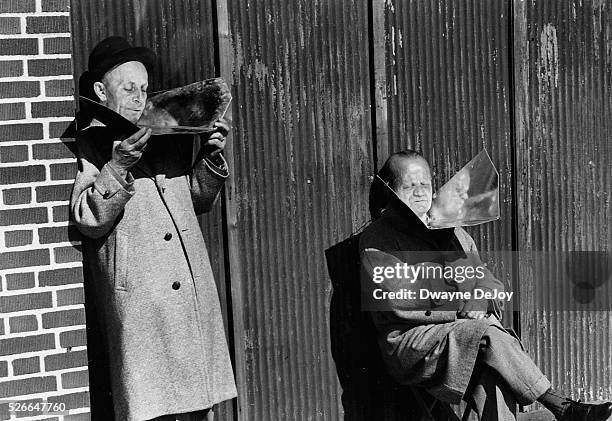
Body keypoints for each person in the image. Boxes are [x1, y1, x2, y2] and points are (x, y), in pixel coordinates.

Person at [359, 150, 612, 421]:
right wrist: (461, 303)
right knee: (487, 334)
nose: (420, 193)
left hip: (465, 340)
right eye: (409, 186)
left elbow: (489, 281)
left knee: (489, 359)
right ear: (392, 191)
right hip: (413, 343)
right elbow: (397, 298)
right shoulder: (378, 238)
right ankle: (559, 404)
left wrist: (480, 297)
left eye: (425, 185)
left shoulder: (455, 231)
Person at [70, 36, 237, 421]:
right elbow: (88, 219)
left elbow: (197, 201)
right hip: (143, 302)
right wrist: (117, 167)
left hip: (187, 296)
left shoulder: (167, 135)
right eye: (127, 88)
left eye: (143, 90)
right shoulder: (90, 142)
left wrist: (211, 157)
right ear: (100, 90)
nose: (138, 97)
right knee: (153, 408)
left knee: (198, 405)